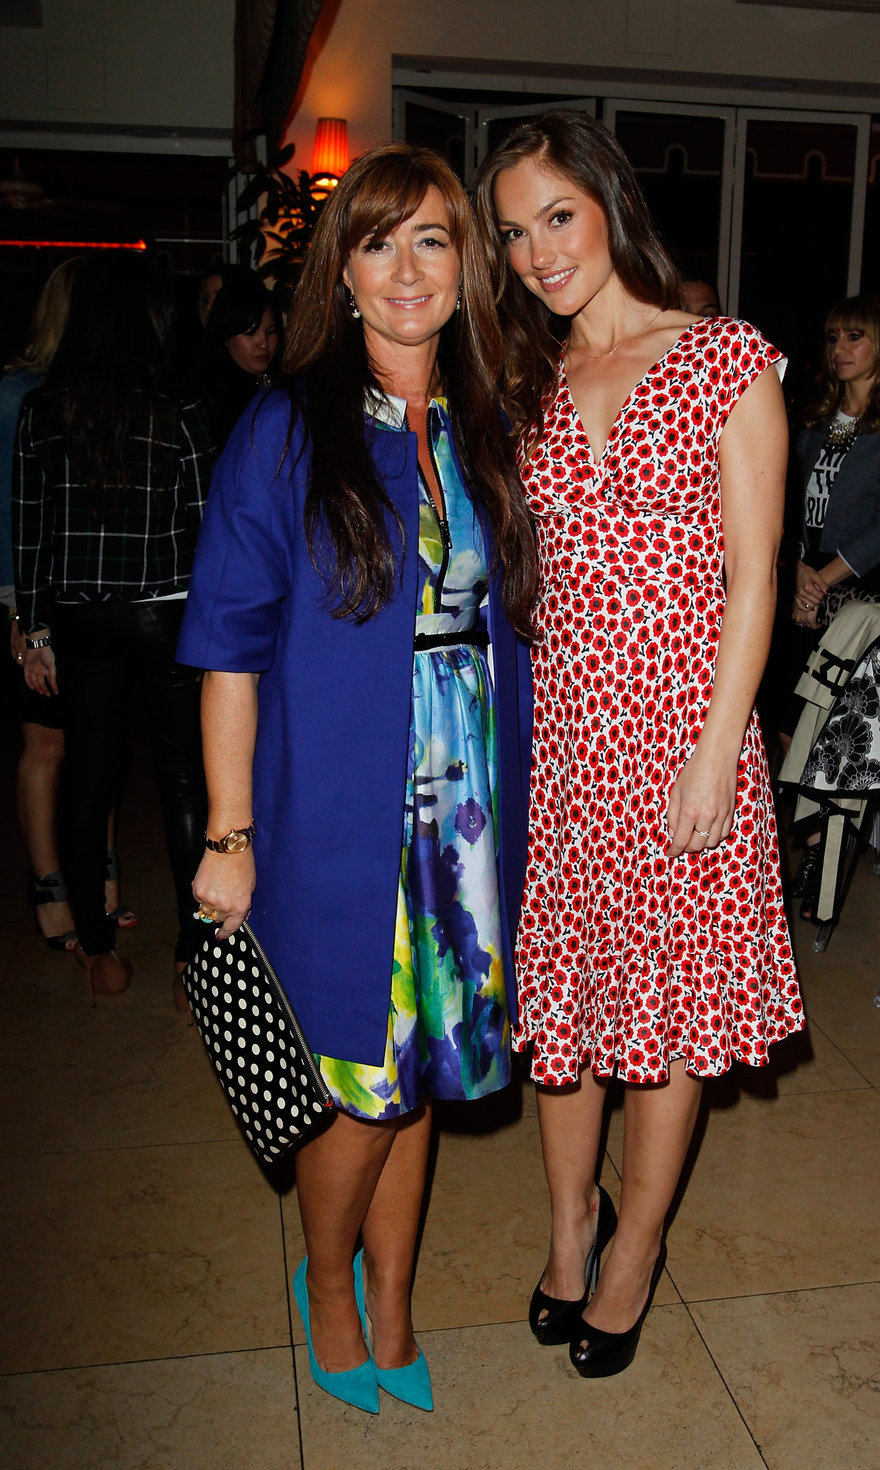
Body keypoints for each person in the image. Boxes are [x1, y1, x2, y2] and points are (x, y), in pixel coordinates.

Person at [177, 143, 536, 1415]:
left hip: (469, 804)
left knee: (424, 1063)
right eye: (378, 243)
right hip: (336, 799)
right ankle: (327, 1283)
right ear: (342, 272)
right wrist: (228, 832)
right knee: (357, 1073)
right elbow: (226, 644)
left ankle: (394, 1301)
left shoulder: (490, 424)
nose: (405, 270)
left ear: (465, 267)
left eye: (432, 240)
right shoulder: (289, 427)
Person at [475, 109, 802, 1379]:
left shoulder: (725, 359)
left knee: (665, 1023)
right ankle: (570, 1232)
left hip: (682, 737)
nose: (538, 250)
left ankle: (635, 1248)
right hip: (564, 746)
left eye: (558, 214)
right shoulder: (524, 385)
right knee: (569, 1013)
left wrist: (718, 751)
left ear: (609, 201)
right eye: (514, 231)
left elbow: (755, 580)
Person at [14, 253, 213, 1002]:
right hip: (170, 611)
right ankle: (195, 956)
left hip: (79, 615)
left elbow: (29, 530)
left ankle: (97, 950)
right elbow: (206, 527)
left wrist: (33, 633)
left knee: (89, 775)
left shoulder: (44, 410)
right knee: (182, 777)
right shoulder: (181, 409)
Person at [781, 293, 880, 915]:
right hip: (801, 579)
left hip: (871, 588)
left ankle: (823, 857)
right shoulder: (813, 415)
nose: (839, 349)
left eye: (854, 337)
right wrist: (796, 569)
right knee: (787, 720)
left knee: (831, 733)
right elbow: (784, 499)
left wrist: (820, 579)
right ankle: (796, 853)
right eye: (834, 337)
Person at [1, 258, 135, 949]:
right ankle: (51, 886)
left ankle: (98, 882)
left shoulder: (97, 391)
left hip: (83, 602)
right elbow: (11, 512)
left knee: (97, 745)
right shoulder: (19, 394)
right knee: (47, 745)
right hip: (29, 597)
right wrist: (21, 616)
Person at [194, 270, 283, 446]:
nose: (263, 343)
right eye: (250, 333)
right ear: (226, 336)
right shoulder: (211, 398)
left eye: (270, 332)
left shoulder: (283, 381)